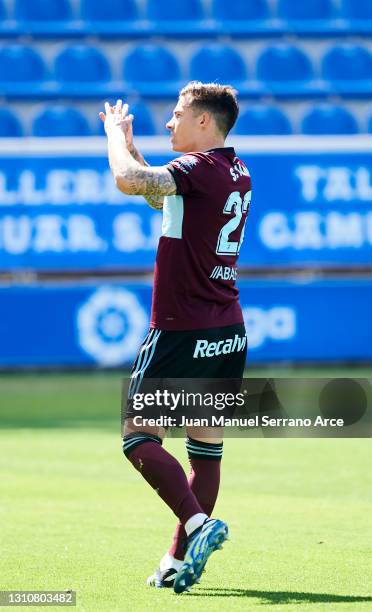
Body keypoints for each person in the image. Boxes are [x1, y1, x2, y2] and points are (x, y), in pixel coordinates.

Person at [100, 81, 251, 594]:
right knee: (205, 448)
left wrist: (115, 138)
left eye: (178, 113)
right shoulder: (233, 170)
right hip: (226, 329)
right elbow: (158, 198)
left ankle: (197, 524)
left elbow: (127, 180)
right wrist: (138, 151)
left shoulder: (197, 170)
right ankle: (176, 560)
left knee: (138, 436)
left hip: (181, 327)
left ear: (204, 122)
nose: (169, 122)